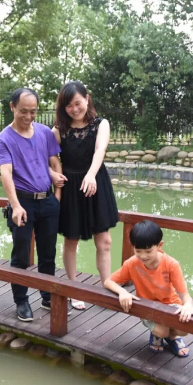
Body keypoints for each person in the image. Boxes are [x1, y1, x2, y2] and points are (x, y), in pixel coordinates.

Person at [0, 88, 63, 322]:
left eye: (33, 111)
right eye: (23, 111)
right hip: (22, 202)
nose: (28, 116)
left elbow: (50, 162)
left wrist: (56, 192)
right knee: (21, 254)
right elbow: (6, 174)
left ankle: (47, 295)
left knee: (48, 253)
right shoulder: (4, 139)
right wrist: (15, 206)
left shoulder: (44, 132)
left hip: (47, 201)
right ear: (12, 107)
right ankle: (21, 300)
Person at [51, 81, 119, 310]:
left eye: (77, 103)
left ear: (87, 99)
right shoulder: (58, 130)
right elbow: (44, 156)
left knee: (105, 240)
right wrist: (52, 173)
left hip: (96, 183)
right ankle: (73, 289)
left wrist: (91, 175)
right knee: (71, 239)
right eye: (69, 105)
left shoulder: (101, 124)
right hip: (70, 187)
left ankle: (106, 286)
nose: (74, 109)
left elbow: (100, 149)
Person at [103, 220, 193, 357]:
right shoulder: (131, 263)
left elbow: (185, 295)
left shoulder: (171, 264)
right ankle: (160, 335)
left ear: (159, 245)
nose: (143, 256)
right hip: (147, 306)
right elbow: (108, 281)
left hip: (170, 304)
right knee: (162, 331)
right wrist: (123, 292)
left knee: (185, 328)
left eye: (148, 251)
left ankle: (172, 337)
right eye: (138, 251)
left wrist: (188, 305)